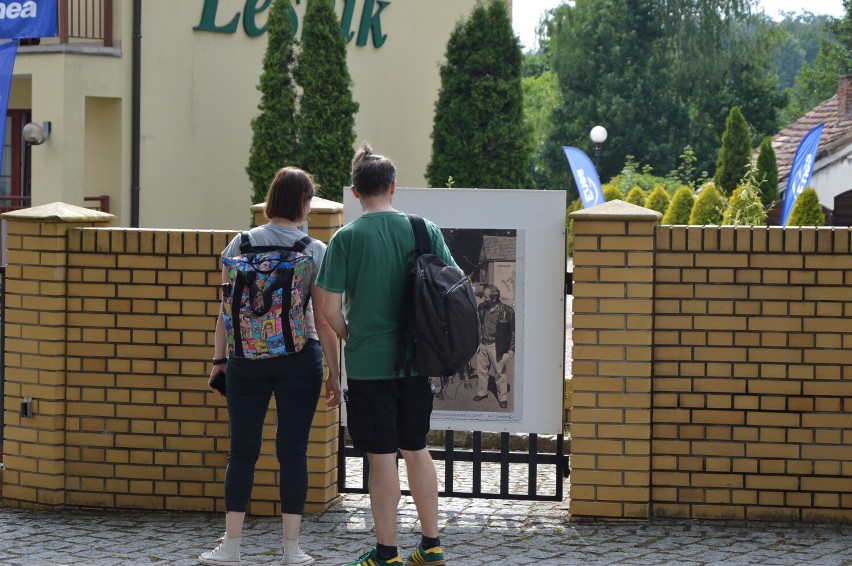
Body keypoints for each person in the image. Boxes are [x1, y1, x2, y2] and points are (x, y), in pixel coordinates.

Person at [317, 143, 451, 566]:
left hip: (370, 364)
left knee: (380, 457)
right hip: (418, 360)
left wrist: (350, 334)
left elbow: (327, 310)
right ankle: (431, 546)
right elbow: (453, 284)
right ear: (393, 188)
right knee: (416, 447)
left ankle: (387, 553)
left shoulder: (346, 238)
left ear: (355, 193)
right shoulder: (423, 228)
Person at [201, 167, 342, 566]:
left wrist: (219, 361)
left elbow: (225, 313)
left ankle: (230, 545)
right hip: (300, 359)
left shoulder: (239, 244)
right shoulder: (314, 249)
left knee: (242, 452)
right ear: (303, 203)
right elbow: (326, 321)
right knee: (293, 452)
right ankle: (292, 549)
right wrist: (335, 374)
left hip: (246, 360)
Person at [472, 285, 515, 409]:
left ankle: (503, 398)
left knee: (500, 373)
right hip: (483, 344)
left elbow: (512, 332)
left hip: (497, 345)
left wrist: (511, 349)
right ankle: (482, 393)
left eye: (486, 296)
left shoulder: (507, 311)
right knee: (481, 370)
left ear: (494, 298)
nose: (483, 298)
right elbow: (477, 325)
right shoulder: (481, 308)